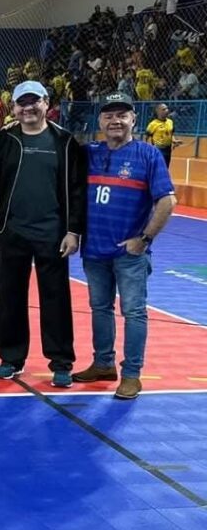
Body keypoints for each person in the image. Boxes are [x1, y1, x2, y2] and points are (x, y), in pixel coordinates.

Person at [0, 81, 86, 388]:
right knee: (9, 296)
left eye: (34, 102)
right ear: (14, 107)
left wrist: (73, 230)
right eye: (22, 103)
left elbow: (77, 190)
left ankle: (61, 361)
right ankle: (11, 358)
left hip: (53, 234)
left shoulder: (65, 141)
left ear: (46, 102)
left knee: (56, 298)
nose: (28, 108)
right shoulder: (4, 140)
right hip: (12, 232)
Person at [74, 92, 176, 399]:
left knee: (133, 312)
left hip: (129, 253)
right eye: (108, 115)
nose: (115, 121)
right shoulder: (88, 153)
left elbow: (167, 201)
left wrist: (144, 239)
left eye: (122, 115)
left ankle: (132, 374)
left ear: (134, 119)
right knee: (100, 308)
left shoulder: (148, 155)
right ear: (100, 121)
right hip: (94, 251)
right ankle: (103, 363)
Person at [144, 103, 182, 168]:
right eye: (164, 109)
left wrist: (174, 140)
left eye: (167, 108)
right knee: (159, 167)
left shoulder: (170, 122)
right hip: (158, 149)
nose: (167, 110)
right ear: (158, 112)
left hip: (168, 149)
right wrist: (147, 148)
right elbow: (146, 137)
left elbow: (171, 133)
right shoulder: (153, 124)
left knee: (166, 167)